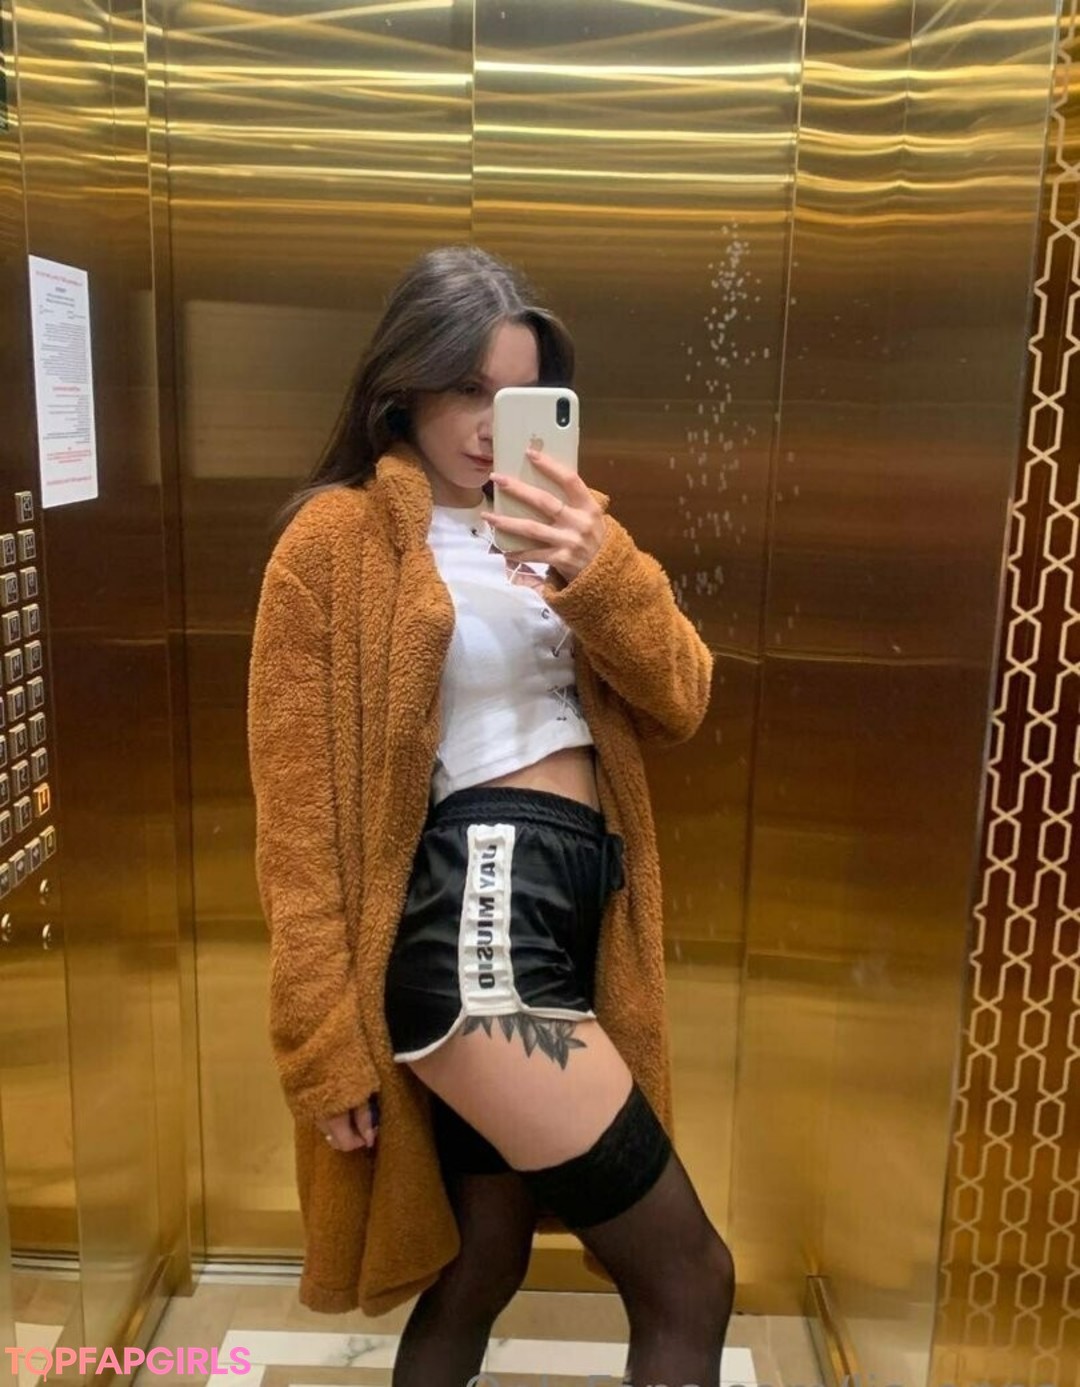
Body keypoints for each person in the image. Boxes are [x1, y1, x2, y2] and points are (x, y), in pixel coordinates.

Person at [246, 244, 735, 1387]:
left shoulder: (573, 529)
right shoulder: (336, 543)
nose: (487, 423)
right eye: (466, 388)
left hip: (573, 912)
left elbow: (682, 698)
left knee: (486, 1259)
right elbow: (296, 820)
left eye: (517, 395)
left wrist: (598, 566)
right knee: (691, 1278)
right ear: (402, 386)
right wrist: (322, 1042)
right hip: (483, 921)